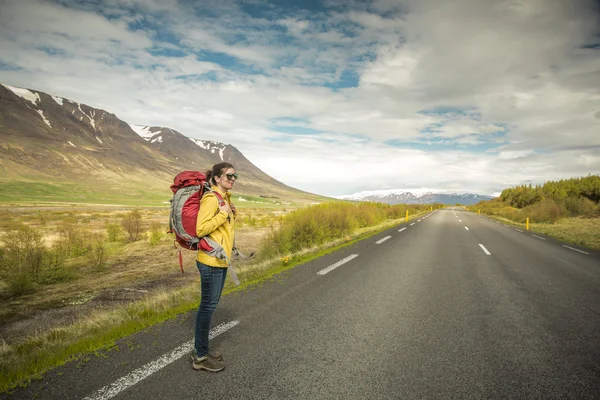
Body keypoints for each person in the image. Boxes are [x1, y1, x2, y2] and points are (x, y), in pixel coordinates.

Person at [190, 162, 238, 372]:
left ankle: (202, 349)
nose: (233, 179)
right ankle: (200, 357)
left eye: (235, 176)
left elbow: (221, 231)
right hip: (210, 263)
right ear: (217, 178)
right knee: (207, 307)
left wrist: (230, 214)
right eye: (229, 175)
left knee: (211, 305)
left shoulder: (224, 199)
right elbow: (201, 229)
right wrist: (222, 214)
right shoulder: (211, 198)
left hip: (220, 261)